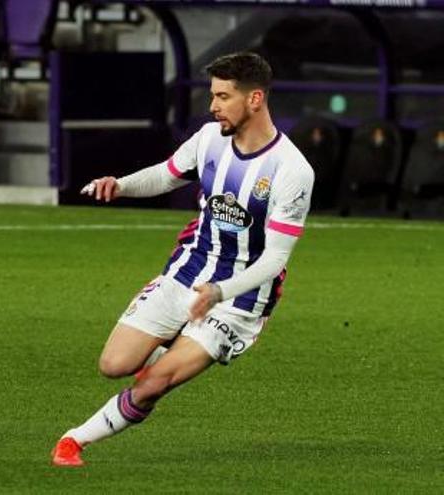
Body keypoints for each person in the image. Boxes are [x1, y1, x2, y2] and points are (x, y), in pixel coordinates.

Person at [50, 52, 315, 467]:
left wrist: (219, 291)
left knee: (154, 382)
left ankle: (73, 440)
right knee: (114, 364)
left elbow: (275, 259)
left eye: (223, 96)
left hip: (239, 296)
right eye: (212, 95)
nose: (213, 106)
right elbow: (166, 174)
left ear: (255, 99)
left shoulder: (292, 170)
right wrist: (118, 186)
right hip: (189, 269)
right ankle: (170, 345)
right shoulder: (209, 138)